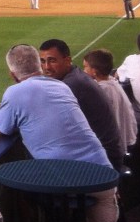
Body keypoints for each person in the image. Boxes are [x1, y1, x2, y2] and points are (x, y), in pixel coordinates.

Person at [0, 44, 122, 222]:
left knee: (21, 197)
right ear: (39, 66)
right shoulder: (61, 86)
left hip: (65, 181)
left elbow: (3, 129)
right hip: (102, 175)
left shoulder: (14, 92)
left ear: (12, 73)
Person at [39, 38, 124, 170]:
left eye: (52, 60)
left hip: (102, 160)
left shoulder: (72, 84)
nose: (46, 67)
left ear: (67, 60)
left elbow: (42, 118)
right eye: (43, 61)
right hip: (101, 152)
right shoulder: (75, 76)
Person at [83, 49, 138, 156]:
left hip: (119, 146)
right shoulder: (112, 81)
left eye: (85, 67)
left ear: (94, 71)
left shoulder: (102, 90)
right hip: (129, 137)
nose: (83, 71)